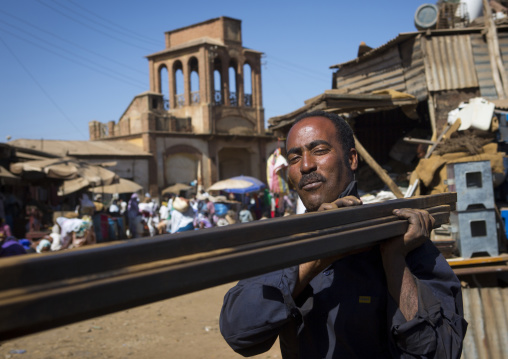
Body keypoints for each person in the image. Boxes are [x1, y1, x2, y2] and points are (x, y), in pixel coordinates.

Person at [220, 111, 467, 358]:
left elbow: (441, 352)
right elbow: (240, 334)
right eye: (295, 157)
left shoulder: (401, 237)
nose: (306, 165)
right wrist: (315, 259)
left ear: (351, 159)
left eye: (319, 151)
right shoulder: (285, 245)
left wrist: (394, 259)